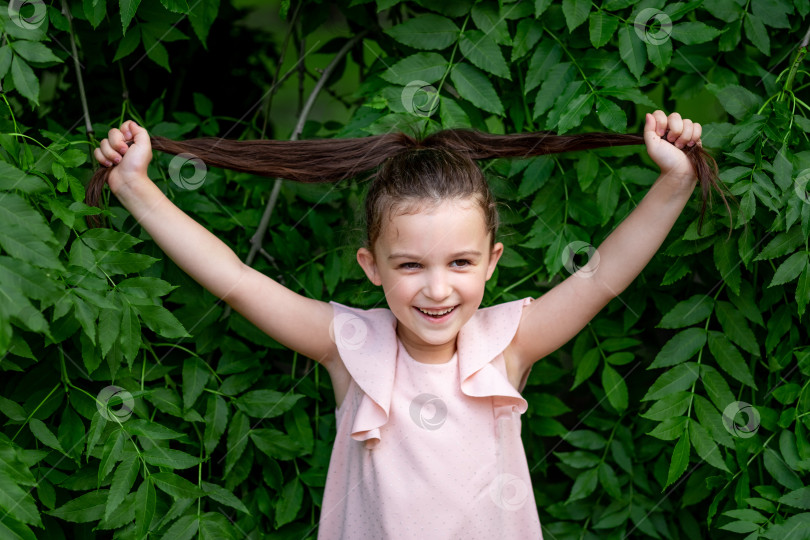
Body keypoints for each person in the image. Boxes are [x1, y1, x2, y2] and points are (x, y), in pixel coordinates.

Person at [93, 111, 719, 539]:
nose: (438, 288)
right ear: (372, 267)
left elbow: (603, 277)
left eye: (461, 263)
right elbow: (233, 279)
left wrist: (675, 178)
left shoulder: (505, 346)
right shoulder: (351, 350)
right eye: (411, 265)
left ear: (492, 262)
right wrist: (136, 186)